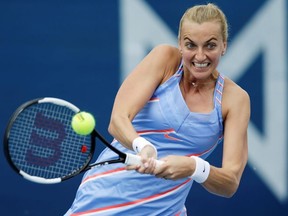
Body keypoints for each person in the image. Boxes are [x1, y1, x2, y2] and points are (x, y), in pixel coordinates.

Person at [65, 3, 250, 216]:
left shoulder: (235, 99)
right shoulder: (165, 60)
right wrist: (143, 146)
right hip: (102, 201)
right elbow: (118, 120)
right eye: (191, 45)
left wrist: (193, 167)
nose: (200, 56)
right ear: (180, 44)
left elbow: (230, 182)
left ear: (224, 46)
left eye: (210, 46)